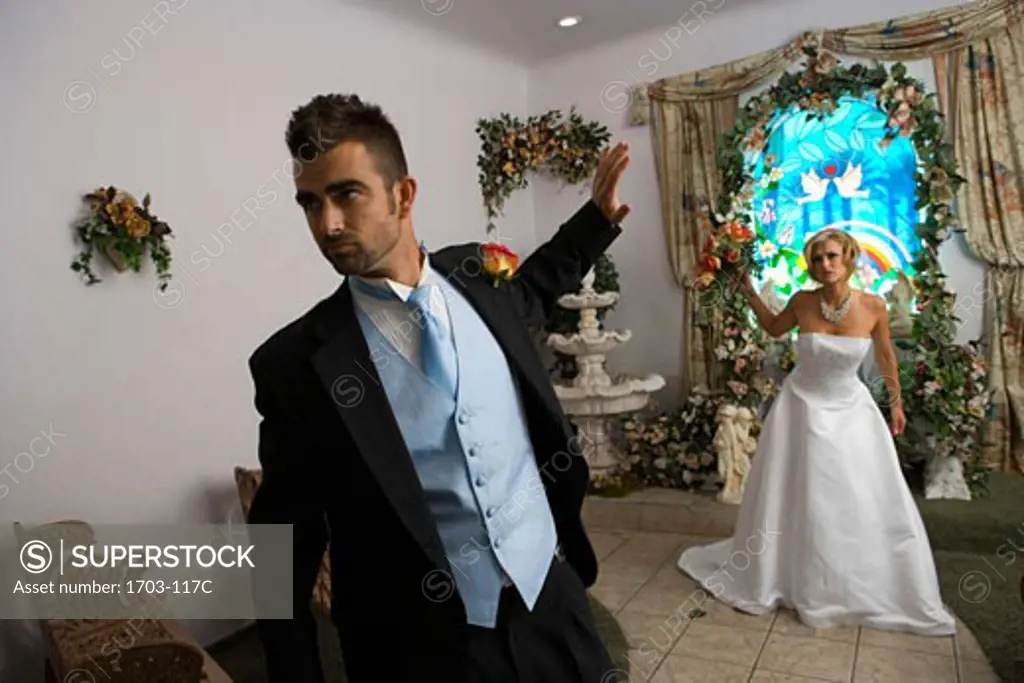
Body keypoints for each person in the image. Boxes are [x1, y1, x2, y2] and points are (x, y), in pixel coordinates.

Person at [245, 93, 632, 683]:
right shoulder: (295, 365)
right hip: (422, 649)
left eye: (347, 194)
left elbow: (533, 291)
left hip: (550, 600)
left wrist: (597, 220)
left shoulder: (479, 273)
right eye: (310, 203)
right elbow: (281, 554)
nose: (327, 225)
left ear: (403, 195)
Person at [677, 228, 956, 636]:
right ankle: (786, 572)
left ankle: (856, 579)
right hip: (800, 408)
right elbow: (773, 328)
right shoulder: (803, 302)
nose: (825, 264)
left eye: (832, 256)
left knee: (852, 494)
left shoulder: (873, 306)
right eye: (818, 258)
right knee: (797, 491)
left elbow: (885, 357)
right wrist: (748, 290)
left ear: (849, 257)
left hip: (851, 410)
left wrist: (895, 403)